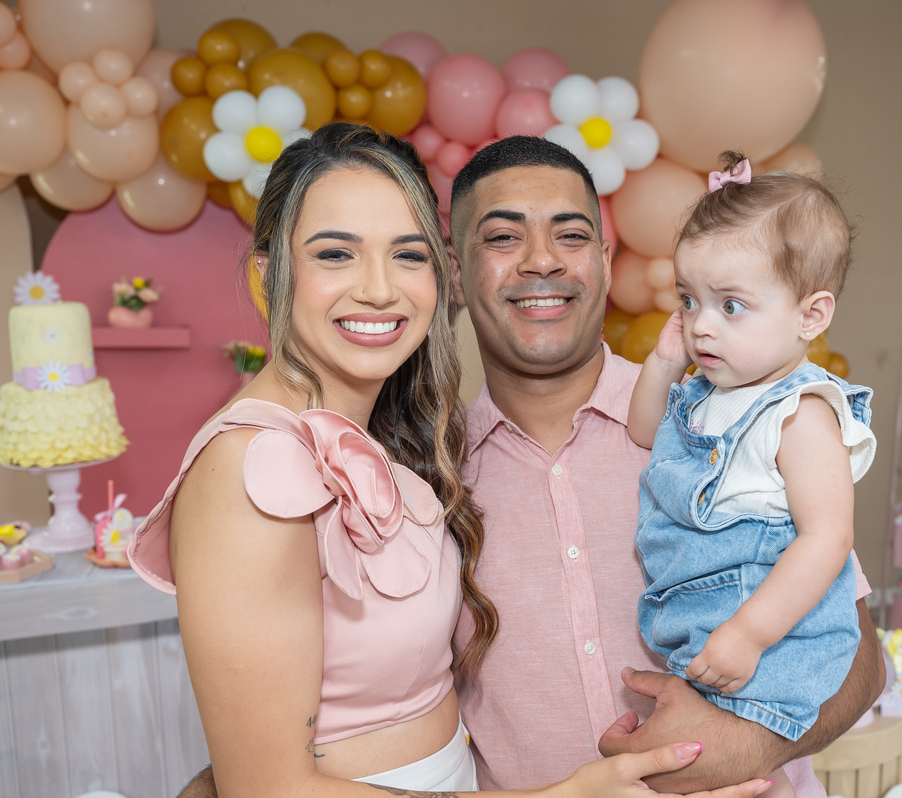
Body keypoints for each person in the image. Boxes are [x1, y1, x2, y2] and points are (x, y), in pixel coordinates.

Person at [128, 123, 753, 798]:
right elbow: (267, 782)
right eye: (335, 253)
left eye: (406, 254)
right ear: (269, 274)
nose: (378, 289)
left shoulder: (415, 453)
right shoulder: (254, 465)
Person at [448, 136, 885, 798]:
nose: (542, 259)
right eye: (504, 238)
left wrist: (741, 747)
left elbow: (861, 661)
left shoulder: (738, 420)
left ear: (604, 262)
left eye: (571, 236)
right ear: (455, 273)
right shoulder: (427, 478)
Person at [625, 153, 877, 797]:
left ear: (810, 316)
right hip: (701, 616)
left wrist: (749, 633)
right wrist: (662, 366)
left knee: (739, 772)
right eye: (689, 300)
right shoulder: (708, 392)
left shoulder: (800, 414)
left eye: (731, 305)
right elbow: (647, 434)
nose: (701, 325)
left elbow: (828, 538)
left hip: (767, 630)